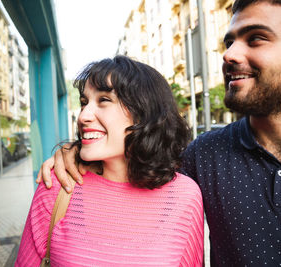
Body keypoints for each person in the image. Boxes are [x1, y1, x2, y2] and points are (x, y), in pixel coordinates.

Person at [38, 0, 281, 266]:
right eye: (229, 41)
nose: (230, 54)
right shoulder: (204, 154)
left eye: (256, 39)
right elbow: (139, 157)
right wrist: (78, 152)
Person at [16, 56, 204, 266]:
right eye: (84, 103)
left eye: (104, 100)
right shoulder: (58, 186)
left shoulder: (185, 196)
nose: (83, 116)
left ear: (144, 113)